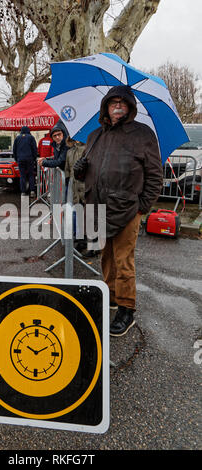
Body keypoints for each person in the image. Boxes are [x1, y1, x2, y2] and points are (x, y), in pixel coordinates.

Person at [74, 85, 163, 337]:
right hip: (99, 206)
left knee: (124, 260)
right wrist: (80, 169)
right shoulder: (95, 136)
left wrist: (142, 207)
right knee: (106, 257)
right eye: (113, 103)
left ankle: (126, 308)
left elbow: (155, 175)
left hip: (127, 209)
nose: (117, 107)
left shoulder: (143, 134)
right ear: (105, 107)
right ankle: (110, 296)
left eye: (122, 103)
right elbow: (86, 172)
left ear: (130, 107)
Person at [13, 126, 38, 197]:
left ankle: (23, 192)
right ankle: (32, 191)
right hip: (29, 159)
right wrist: (34, 158)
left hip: (20, 159)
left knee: (22, 176)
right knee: (31, 175)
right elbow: (34, 149)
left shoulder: (17, 138)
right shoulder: (31, 137)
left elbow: (14, 150)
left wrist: (16, 159)